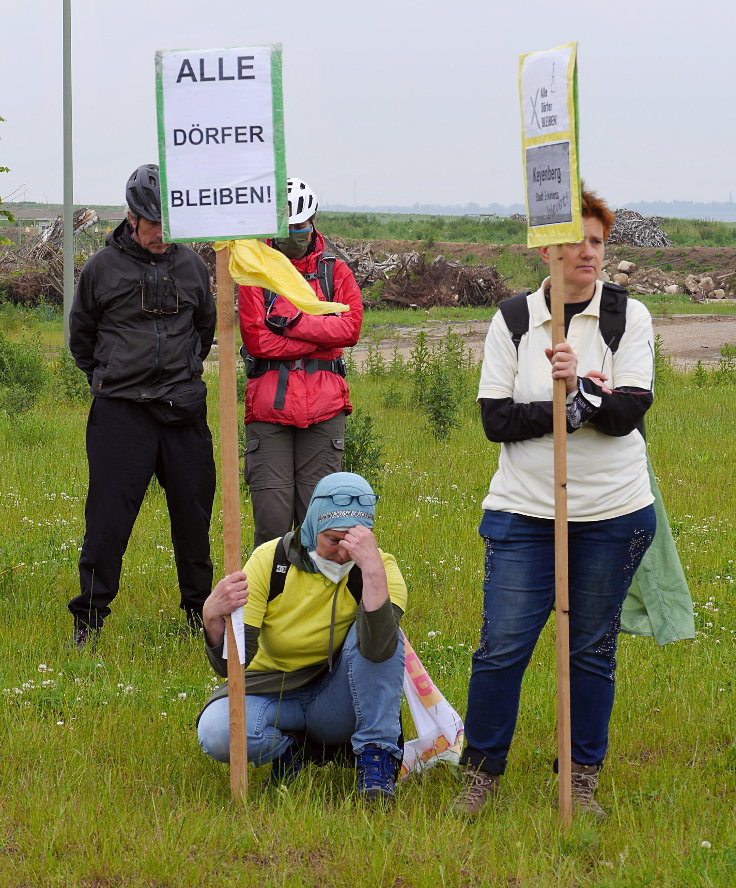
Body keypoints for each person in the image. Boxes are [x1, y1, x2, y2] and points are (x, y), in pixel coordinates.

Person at [453, 187, 657, 818]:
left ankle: (581, 778)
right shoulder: (513, 320)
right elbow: (495, 418)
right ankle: (482, 774)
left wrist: (588, 398)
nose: (587, 254)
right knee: (503, 645)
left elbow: (630, 409)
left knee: (591, 647)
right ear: (546, 249)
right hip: (524, 512)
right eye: (574, 242)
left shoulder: (630, 318)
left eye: (596, 241)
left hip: (612, 513)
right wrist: (565, 405)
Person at [68, 163, 217, 647]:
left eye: (169, 222)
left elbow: (205, 332)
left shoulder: (193, 266)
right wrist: (110, 377)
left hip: (182, 412)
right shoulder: (101, 269)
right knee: (107, 522)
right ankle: (88, 621)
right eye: (152, 222)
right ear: (132, 217)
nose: (160, 233)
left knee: (194, 520)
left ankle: (201, 616)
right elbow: (81, 338)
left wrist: (180, 371)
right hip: (121, 415)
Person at [197, 472, 407, 802]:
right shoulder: (270, 560)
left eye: (353, 543)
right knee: (217, 732)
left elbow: (382, 649)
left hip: (335, 699)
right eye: (334, 540)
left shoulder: (380, 569)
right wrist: (212, 616)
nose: (342, 554)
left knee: (384, 627)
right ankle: (292, 753)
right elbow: (232, 666)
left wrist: (370, 570)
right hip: (272, 692)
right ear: (311, 526)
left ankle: (375, 759)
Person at [238, 177, 363, 547]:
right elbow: (257, 340)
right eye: (284, 229)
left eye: (299, 227)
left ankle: (319, 602)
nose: (292, 235)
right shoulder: (254, 272)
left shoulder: (335, 271)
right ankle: (272, 600)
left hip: (324, 413)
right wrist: (320, 336)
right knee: (272, 526)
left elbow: (350, 329)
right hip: (269, 413)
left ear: (312, 223)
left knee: (322, 524)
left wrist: (292, 323)